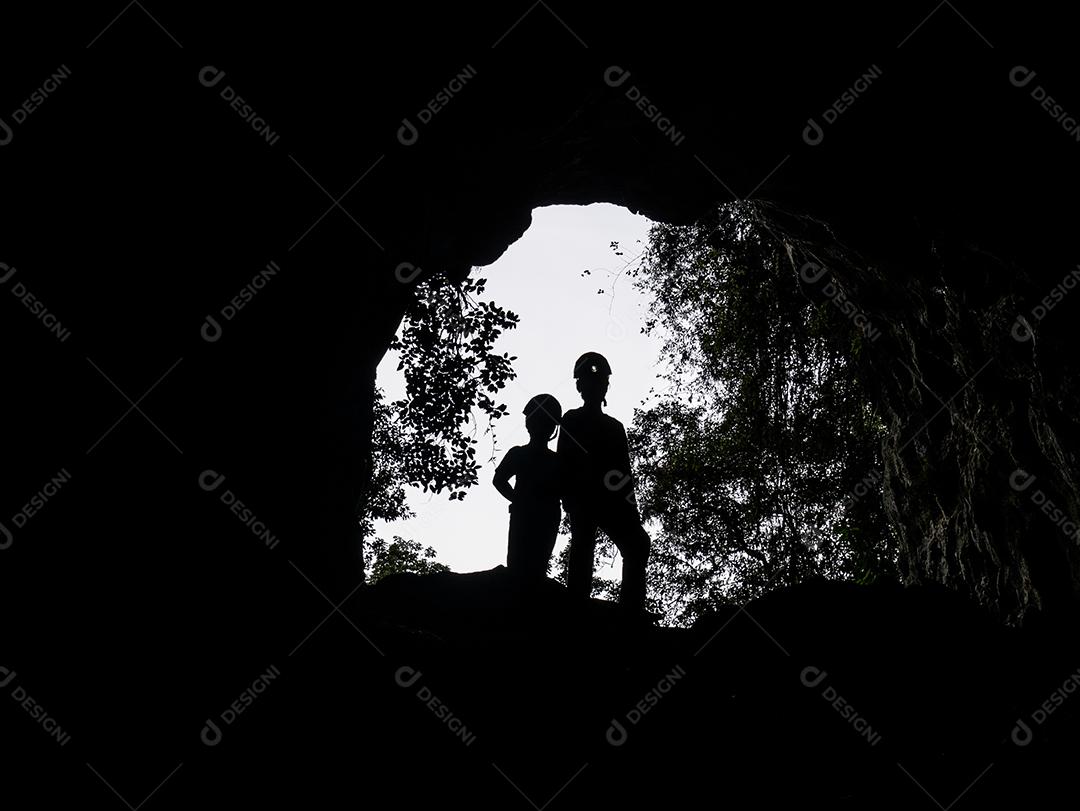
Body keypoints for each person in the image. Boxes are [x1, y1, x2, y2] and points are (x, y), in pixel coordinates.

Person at [558, 352, 651, 613]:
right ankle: (577, 605)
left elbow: (623, 472)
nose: (597, 387)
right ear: (580, 386)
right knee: (582, 548)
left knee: (637, 544)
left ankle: (631, 609)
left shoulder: (614, 427)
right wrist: (569, 499)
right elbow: (564, 462)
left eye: (600, 382)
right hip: (584, 498)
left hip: (610, 500)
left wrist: (631, 511)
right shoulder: (572, 420)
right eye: (591, 382)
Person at [492, 394, 563, 583]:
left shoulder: (551, 460)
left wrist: (518, 500)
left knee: (528, 568)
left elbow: (499, 480)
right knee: (523, 568)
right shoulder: (553, 460)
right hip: (532, 515)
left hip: (539, 516)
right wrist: (518, 500)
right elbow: (498, 480)